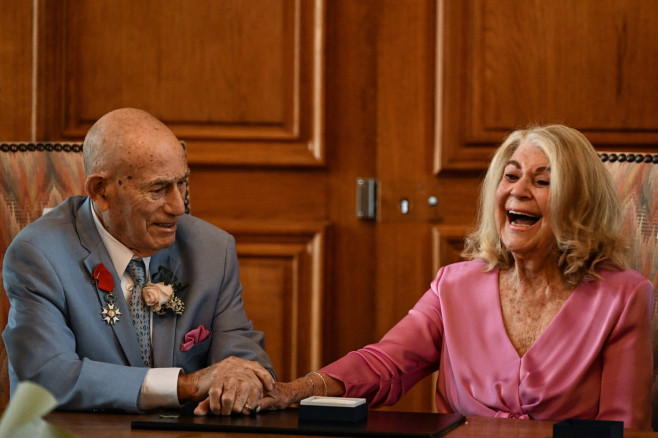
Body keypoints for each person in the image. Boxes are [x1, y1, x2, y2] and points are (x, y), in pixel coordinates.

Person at [259, 124, 654, 430]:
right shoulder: (454, 285)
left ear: (578, 203)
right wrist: (296, 390)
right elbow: (386, 364)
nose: (518, 191)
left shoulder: (623, 296)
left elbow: (622, 428)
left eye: (542, 181)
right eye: (511, 176)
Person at [2, 108, 275, 415]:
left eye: (181, 184)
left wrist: (243, 380)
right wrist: (184, 385)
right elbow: (45, 378)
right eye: (158, 189)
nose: (177, 207)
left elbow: (244, 360)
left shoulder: (212, 250)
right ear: (100, 191)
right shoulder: (39, 255)